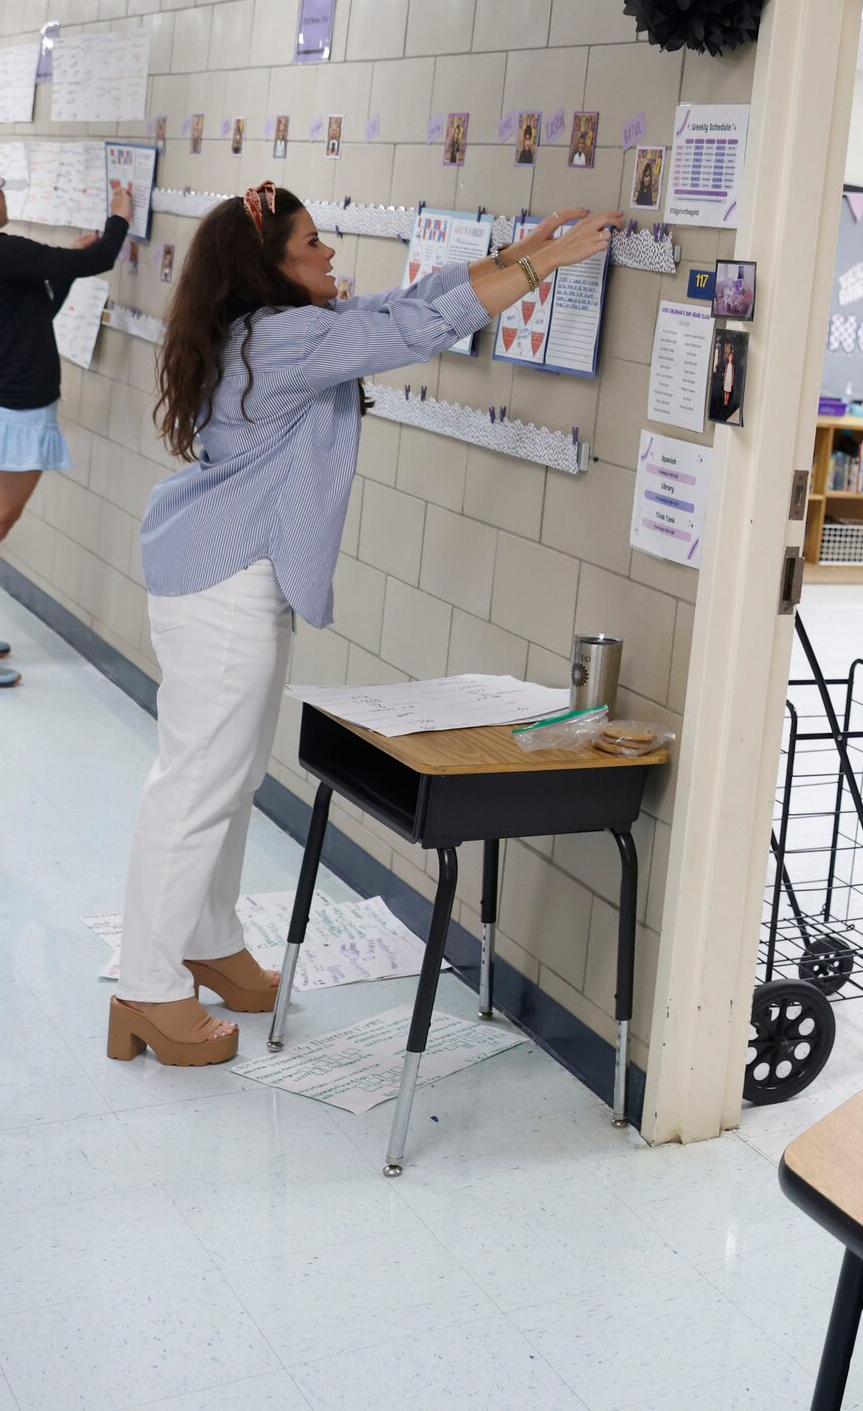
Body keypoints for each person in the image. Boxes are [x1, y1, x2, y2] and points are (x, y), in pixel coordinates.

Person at [108, 185, 617, 1068]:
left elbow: (400, 307)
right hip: (224, 588)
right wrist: (548, 265)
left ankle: (211, 941)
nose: (330, 256)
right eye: (312, 245)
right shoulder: (285, 339)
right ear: (268, 267)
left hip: (224, 577)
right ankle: (147, 990)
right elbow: (414, 332)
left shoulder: (274, 328)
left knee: (222, 783)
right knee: (195, 787)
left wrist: (513, 251)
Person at [0, 149, 131, 687]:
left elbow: (37, 308)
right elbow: (96, 261)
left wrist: (68, 265)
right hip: (8, 411)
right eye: (2, 192)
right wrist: (120, 216)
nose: (6, 199)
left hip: (6, 408)